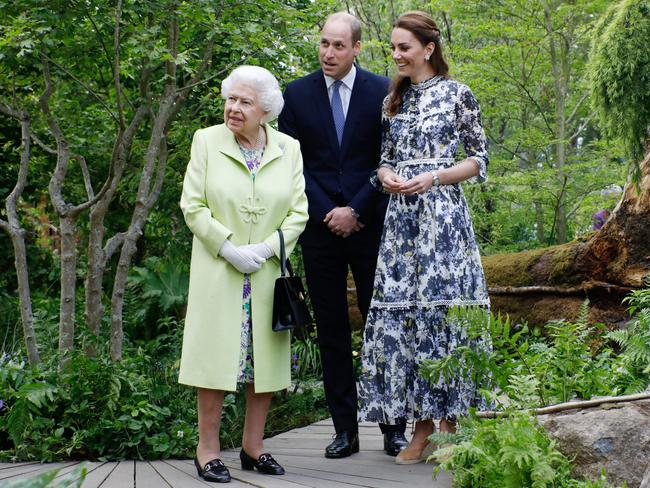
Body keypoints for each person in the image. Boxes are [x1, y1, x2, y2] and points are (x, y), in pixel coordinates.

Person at [358, 10, 492, 465]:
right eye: (393, 47)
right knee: (408, 319)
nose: (395, 55)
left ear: (428, 49)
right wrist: (389, 176)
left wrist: (433, 178)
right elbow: (383, 161)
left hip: (442, 220)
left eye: (404, 47)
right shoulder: (392, 101)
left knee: (442, 315)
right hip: (401, 226)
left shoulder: (458, 95)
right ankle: (420, 428)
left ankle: (450, 425)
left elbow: (478, 160)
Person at [278, 12, 408, 458]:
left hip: (371, 224)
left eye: (338, 46)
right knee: (332, 331)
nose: (328, 53)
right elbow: (293, 166)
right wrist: (329, 211)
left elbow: (390, 157)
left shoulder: (383, 91)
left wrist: (356, 208)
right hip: (320, 231)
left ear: (356, 48)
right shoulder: (294, 95)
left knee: (384, 327)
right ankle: (345, 431)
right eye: (323, 44)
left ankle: (394, 428)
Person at [179, 65, 308, 483]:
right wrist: (230, 248)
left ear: (265, 110)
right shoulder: (206, 140)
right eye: (230, 99)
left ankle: (254, 448)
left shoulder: (289, 148)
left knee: (262, 364)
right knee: (215, 362)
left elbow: (298, 212)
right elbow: (193, 205)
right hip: (221, 269)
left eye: (244, 102)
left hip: (267, 272)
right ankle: (208, 450)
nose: (233, 108)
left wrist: (268, 248)